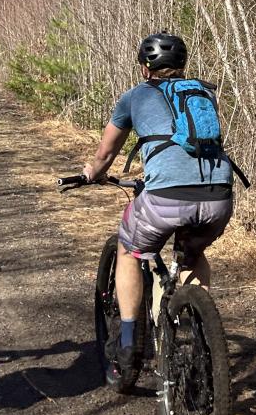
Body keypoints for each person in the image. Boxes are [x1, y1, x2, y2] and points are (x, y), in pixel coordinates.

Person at [80, 32, 234, 380]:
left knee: (129, 250)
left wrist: (92, 173)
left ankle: (128, 346)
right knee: (193, 254)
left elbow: (106, 154)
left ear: (144, 67)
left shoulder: (134, 97)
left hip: (166, 198)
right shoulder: (204, 92)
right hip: (219, 197)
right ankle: (201, 341)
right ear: (183, 66)